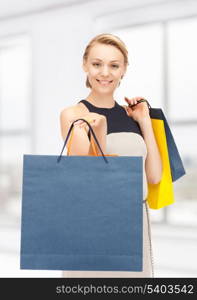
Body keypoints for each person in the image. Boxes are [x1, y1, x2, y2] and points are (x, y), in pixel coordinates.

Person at [60, 33, 162, 278]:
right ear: (85, 65)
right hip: (91, 224)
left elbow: (154, 177)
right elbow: (88, 177)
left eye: (114, 65)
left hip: (133, 225)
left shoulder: (133, 116)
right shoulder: (73, 114)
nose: (105, 73)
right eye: (97, 64)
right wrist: (100, 134)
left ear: (123, 70)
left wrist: (145, 121)